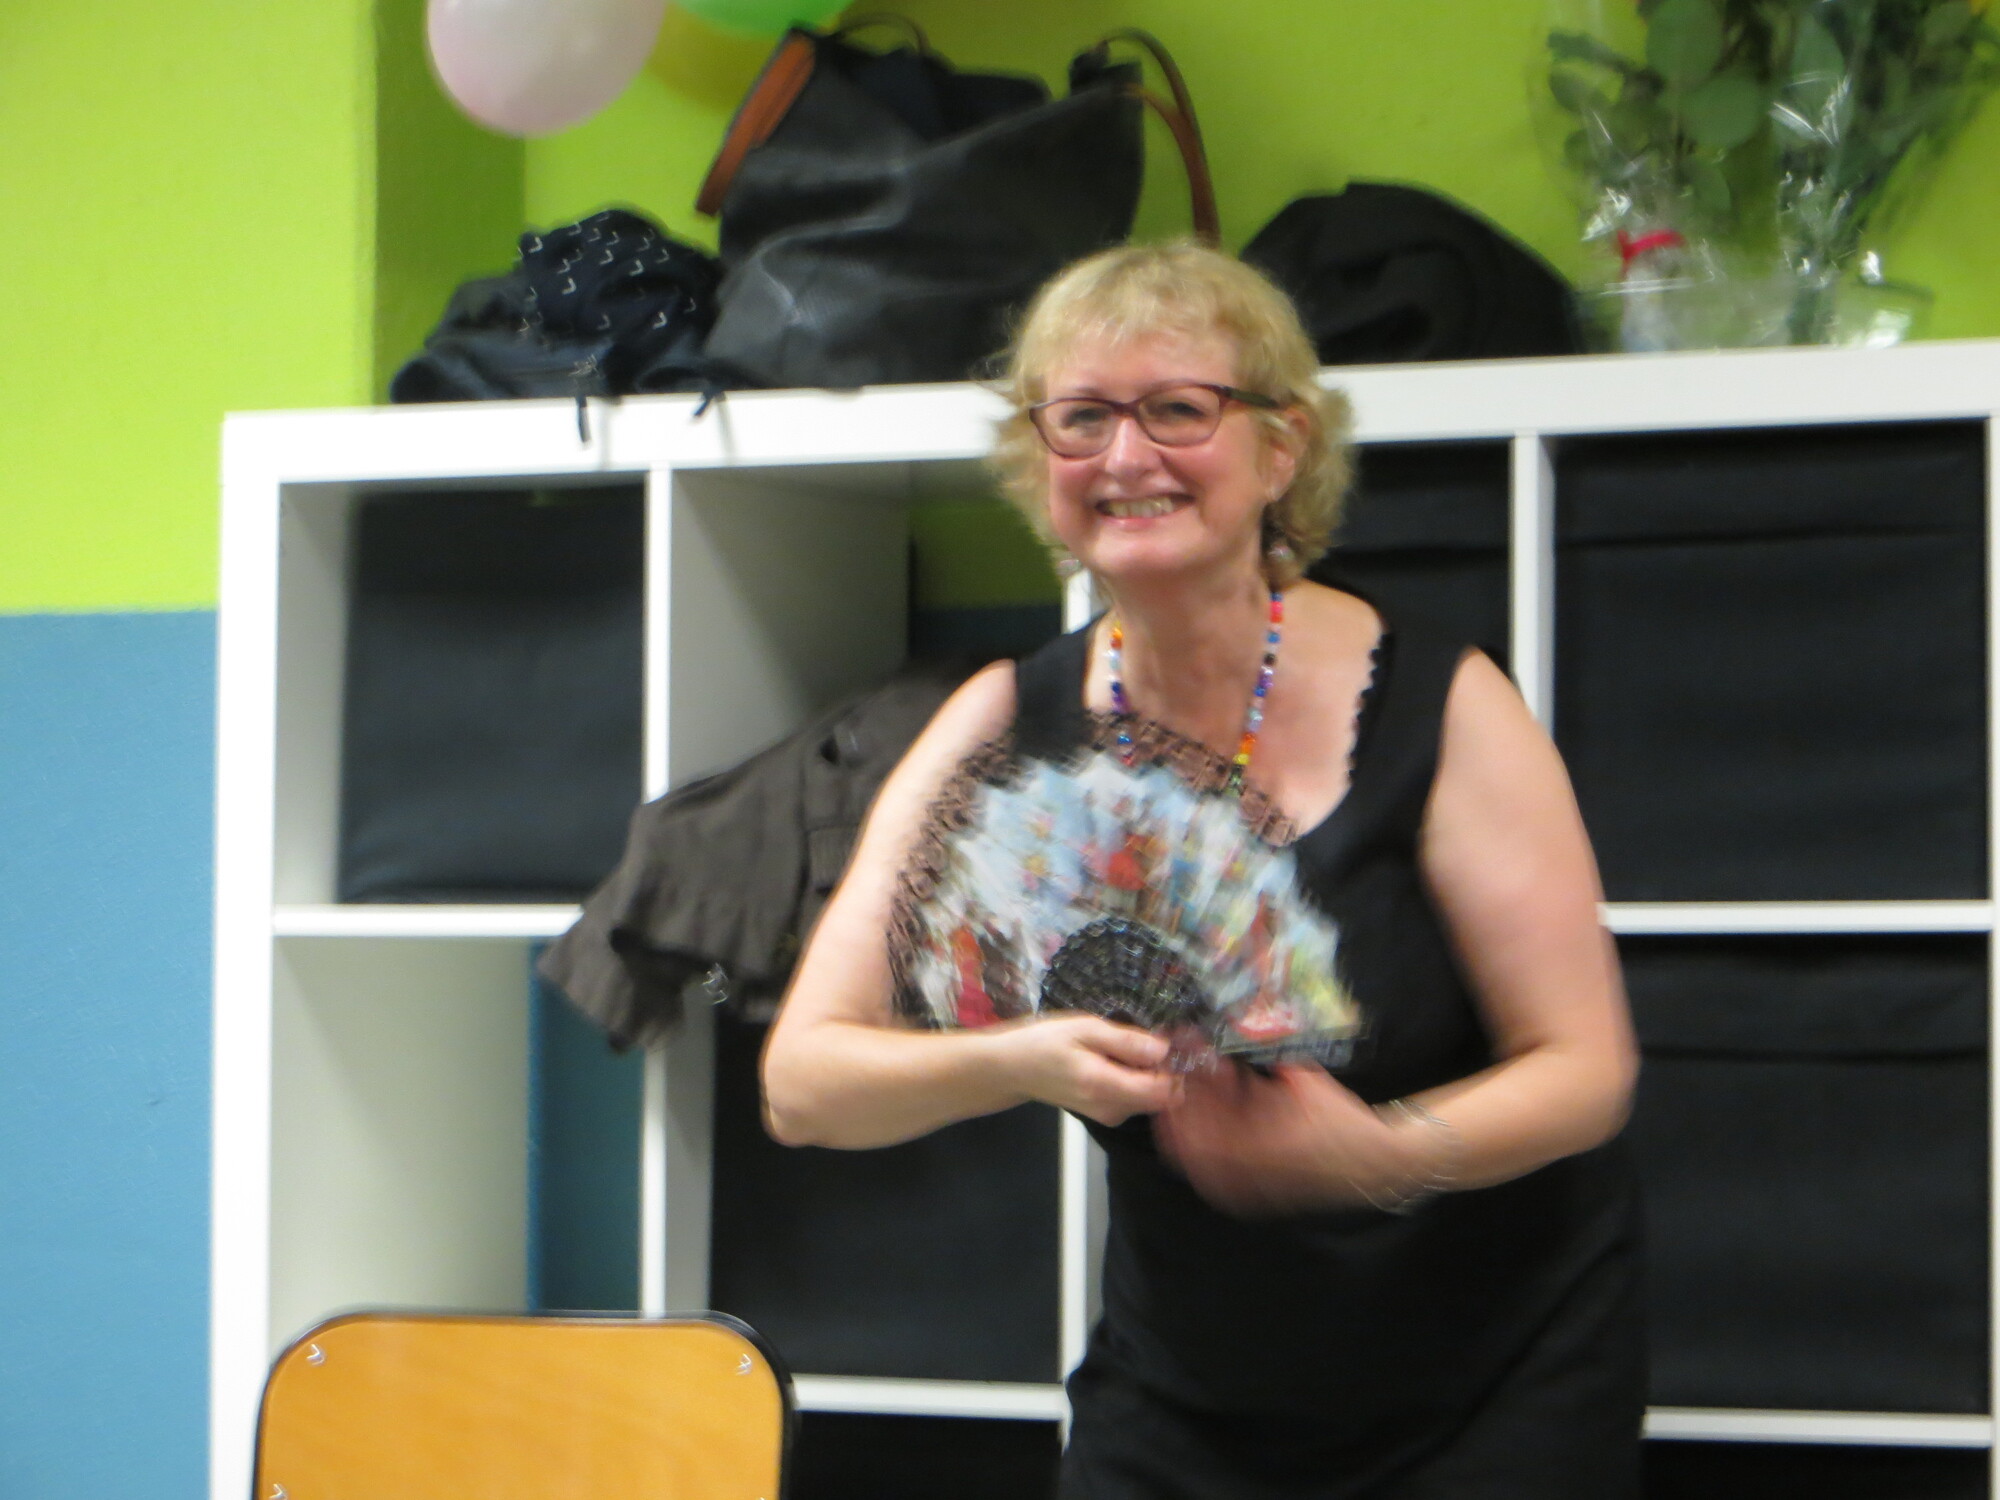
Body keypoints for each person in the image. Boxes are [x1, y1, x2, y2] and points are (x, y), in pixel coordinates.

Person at [761, 242, 1644, 1499]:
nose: (1125, 457)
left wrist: (1382, 1156)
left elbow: (1585, 1069)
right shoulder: (1001, 726)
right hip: (1186, 1391)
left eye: (1178, 409)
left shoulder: (1442, 701)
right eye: (1080, 418)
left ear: (1279, 450)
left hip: (1493, 1384)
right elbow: (805, 1084)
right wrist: (1025, 1059)